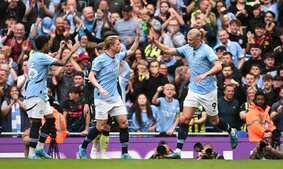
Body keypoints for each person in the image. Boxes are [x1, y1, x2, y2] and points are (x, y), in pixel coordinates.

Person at [151, 28, 238, 159]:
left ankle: (231, 130)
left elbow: (219, 66)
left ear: (199, 39)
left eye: (190, 40)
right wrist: (156, 42)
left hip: (209, 92)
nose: (188, 41)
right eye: (187, 39)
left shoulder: (207, 50)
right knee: (184, 118)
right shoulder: (187, 48)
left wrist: (206, 74)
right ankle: (178, 152)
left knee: (214, 121)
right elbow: (168, 50)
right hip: (193, 90)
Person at [78, 29, 140, 159]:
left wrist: (138, 37)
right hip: (101, 98)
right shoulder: (99, 60)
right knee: (100, 127)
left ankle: (125, 153)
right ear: (111, 46)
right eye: (118, 44)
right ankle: (83, 147)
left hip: (115, 97)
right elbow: (91, 76)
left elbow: (132, 51)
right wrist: (100, 88)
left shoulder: (117, 56)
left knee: (123, 122)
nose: (120, 46)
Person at [24, 35, 78, 159]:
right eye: (48, 42)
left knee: (50, 120)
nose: (49, 44)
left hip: (41, 95)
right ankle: (32, 154)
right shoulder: (41, 57)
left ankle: (39, 149)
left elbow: (50, 56)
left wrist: (60, 49)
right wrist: (72, 51)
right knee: (36, 123)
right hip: (35, 94)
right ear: (44, 44)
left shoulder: (34, 55)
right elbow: (62, 63)